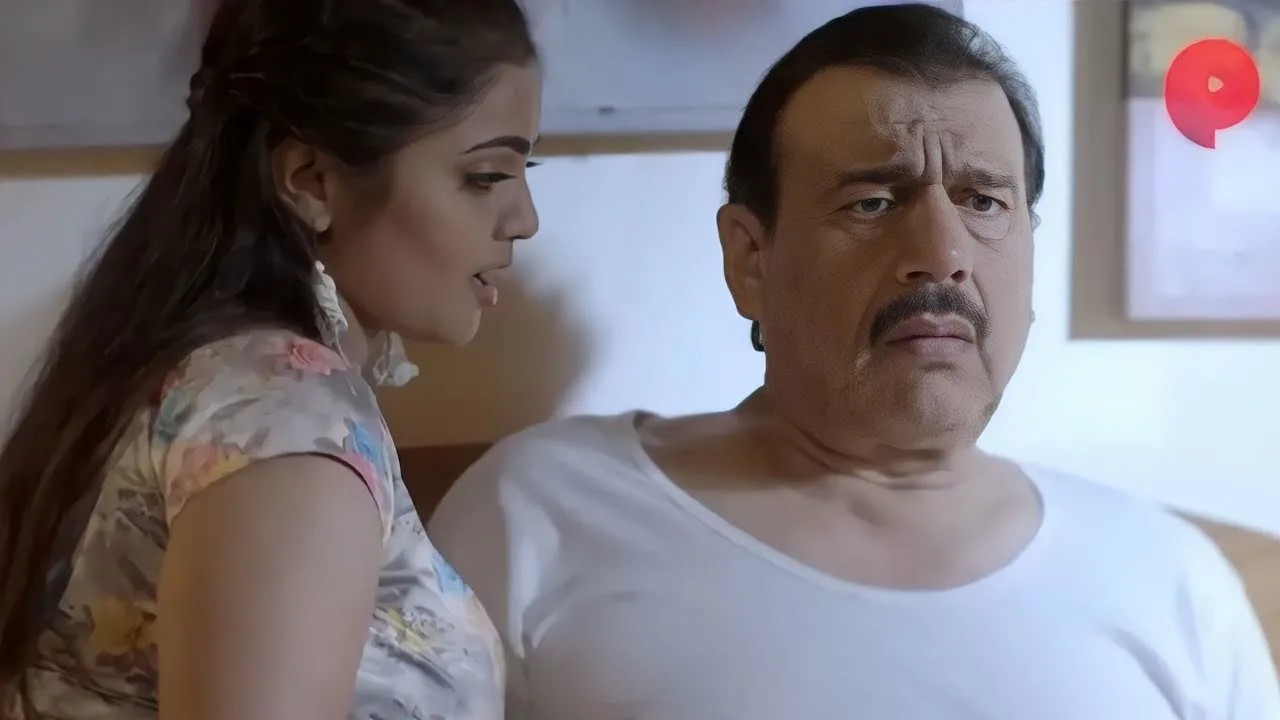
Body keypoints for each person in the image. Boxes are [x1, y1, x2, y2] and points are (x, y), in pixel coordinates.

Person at [428, 5, 1280, 719]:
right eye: (873, 202)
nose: (941, 255)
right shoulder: (541, 511)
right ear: (750, 259)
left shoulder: (1171, 580)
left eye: (984, 202)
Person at [0, 1, 539, 718]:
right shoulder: (288, 426)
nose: (525, 219)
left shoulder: (222, 377)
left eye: (525, 169)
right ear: (311, 181)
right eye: (486, 176)